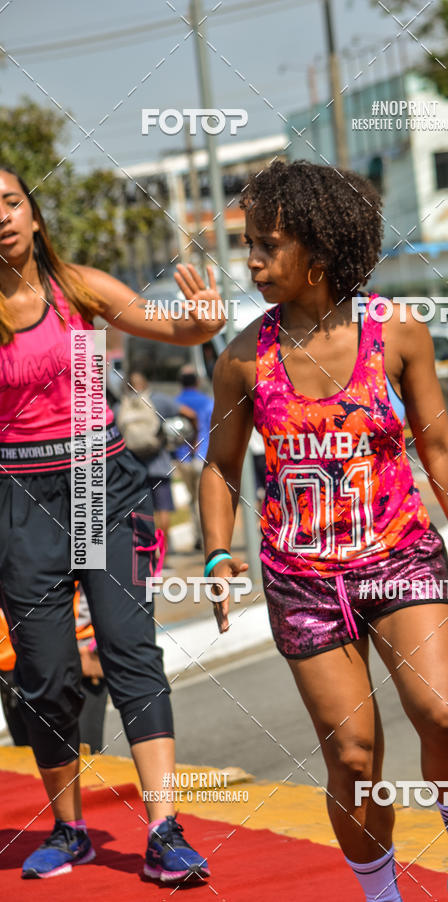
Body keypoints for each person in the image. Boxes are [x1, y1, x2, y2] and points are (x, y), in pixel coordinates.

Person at [199, 161, 448, 902]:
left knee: (440, 712)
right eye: (249, 243)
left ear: (319, 252)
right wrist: (217, 553)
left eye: (266, 245)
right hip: (302, 579)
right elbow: (218, 468)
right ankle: (382, 895)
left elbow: (438, 445)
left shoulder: (398, 334)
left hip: (399, 556)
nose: (250, 261)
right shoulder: (244, 360)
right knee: (351, 751)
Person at [0, 166, 223, 883]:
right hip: (18, 497)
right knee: (47, 674)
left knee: (130, 649)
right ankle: (69, 830)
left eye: (10, 202)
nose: (1, 217)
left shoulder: (79, 290)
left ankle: (164, 828)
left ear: (33, 215)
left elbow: (175, 325)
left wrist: (206, 321)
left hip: (101, 482)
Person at [0, 584, 108, 754]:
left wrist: (96, 639)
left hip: (76, 653)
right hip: (9, 661)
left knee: (84, 760)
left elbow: (104, 571)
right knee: (29, 767)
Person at [122, 368, 198, 558]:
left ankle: (144, 548)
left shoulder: (122, 406)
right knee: (163, 509)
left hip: (133, 467)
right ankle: (161, 549)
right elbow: (189, 414)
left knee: (139, 510)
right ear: (146, 383)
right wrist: (192, 440)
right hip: (160, 464)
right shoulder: (158, 400)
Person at [173, 365, 213, 551]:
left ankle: (198, 537)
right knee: (203, 499)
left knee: (191, 499)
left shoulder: (176, 402)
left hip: (183, 457)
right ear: (197, 382)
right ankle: (207, 537)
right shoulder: (208, 402)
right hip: (203, 456)